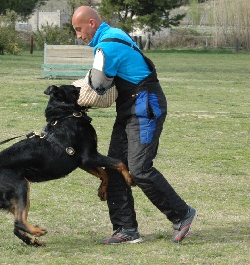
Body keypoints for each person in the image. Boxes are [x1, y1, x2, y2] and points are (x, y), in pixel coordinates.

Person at [71, 6, 197, 244]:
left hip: (145, 106)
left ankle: (182, 214)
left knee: (139, 168)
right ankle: (125, 230)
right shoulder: (116, 34)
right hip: (130, 108)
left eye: (79, 29)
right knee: (116, 166)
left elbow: (98, 85)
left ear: (91, 23)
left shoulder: (106, 46)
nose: (78, 35)